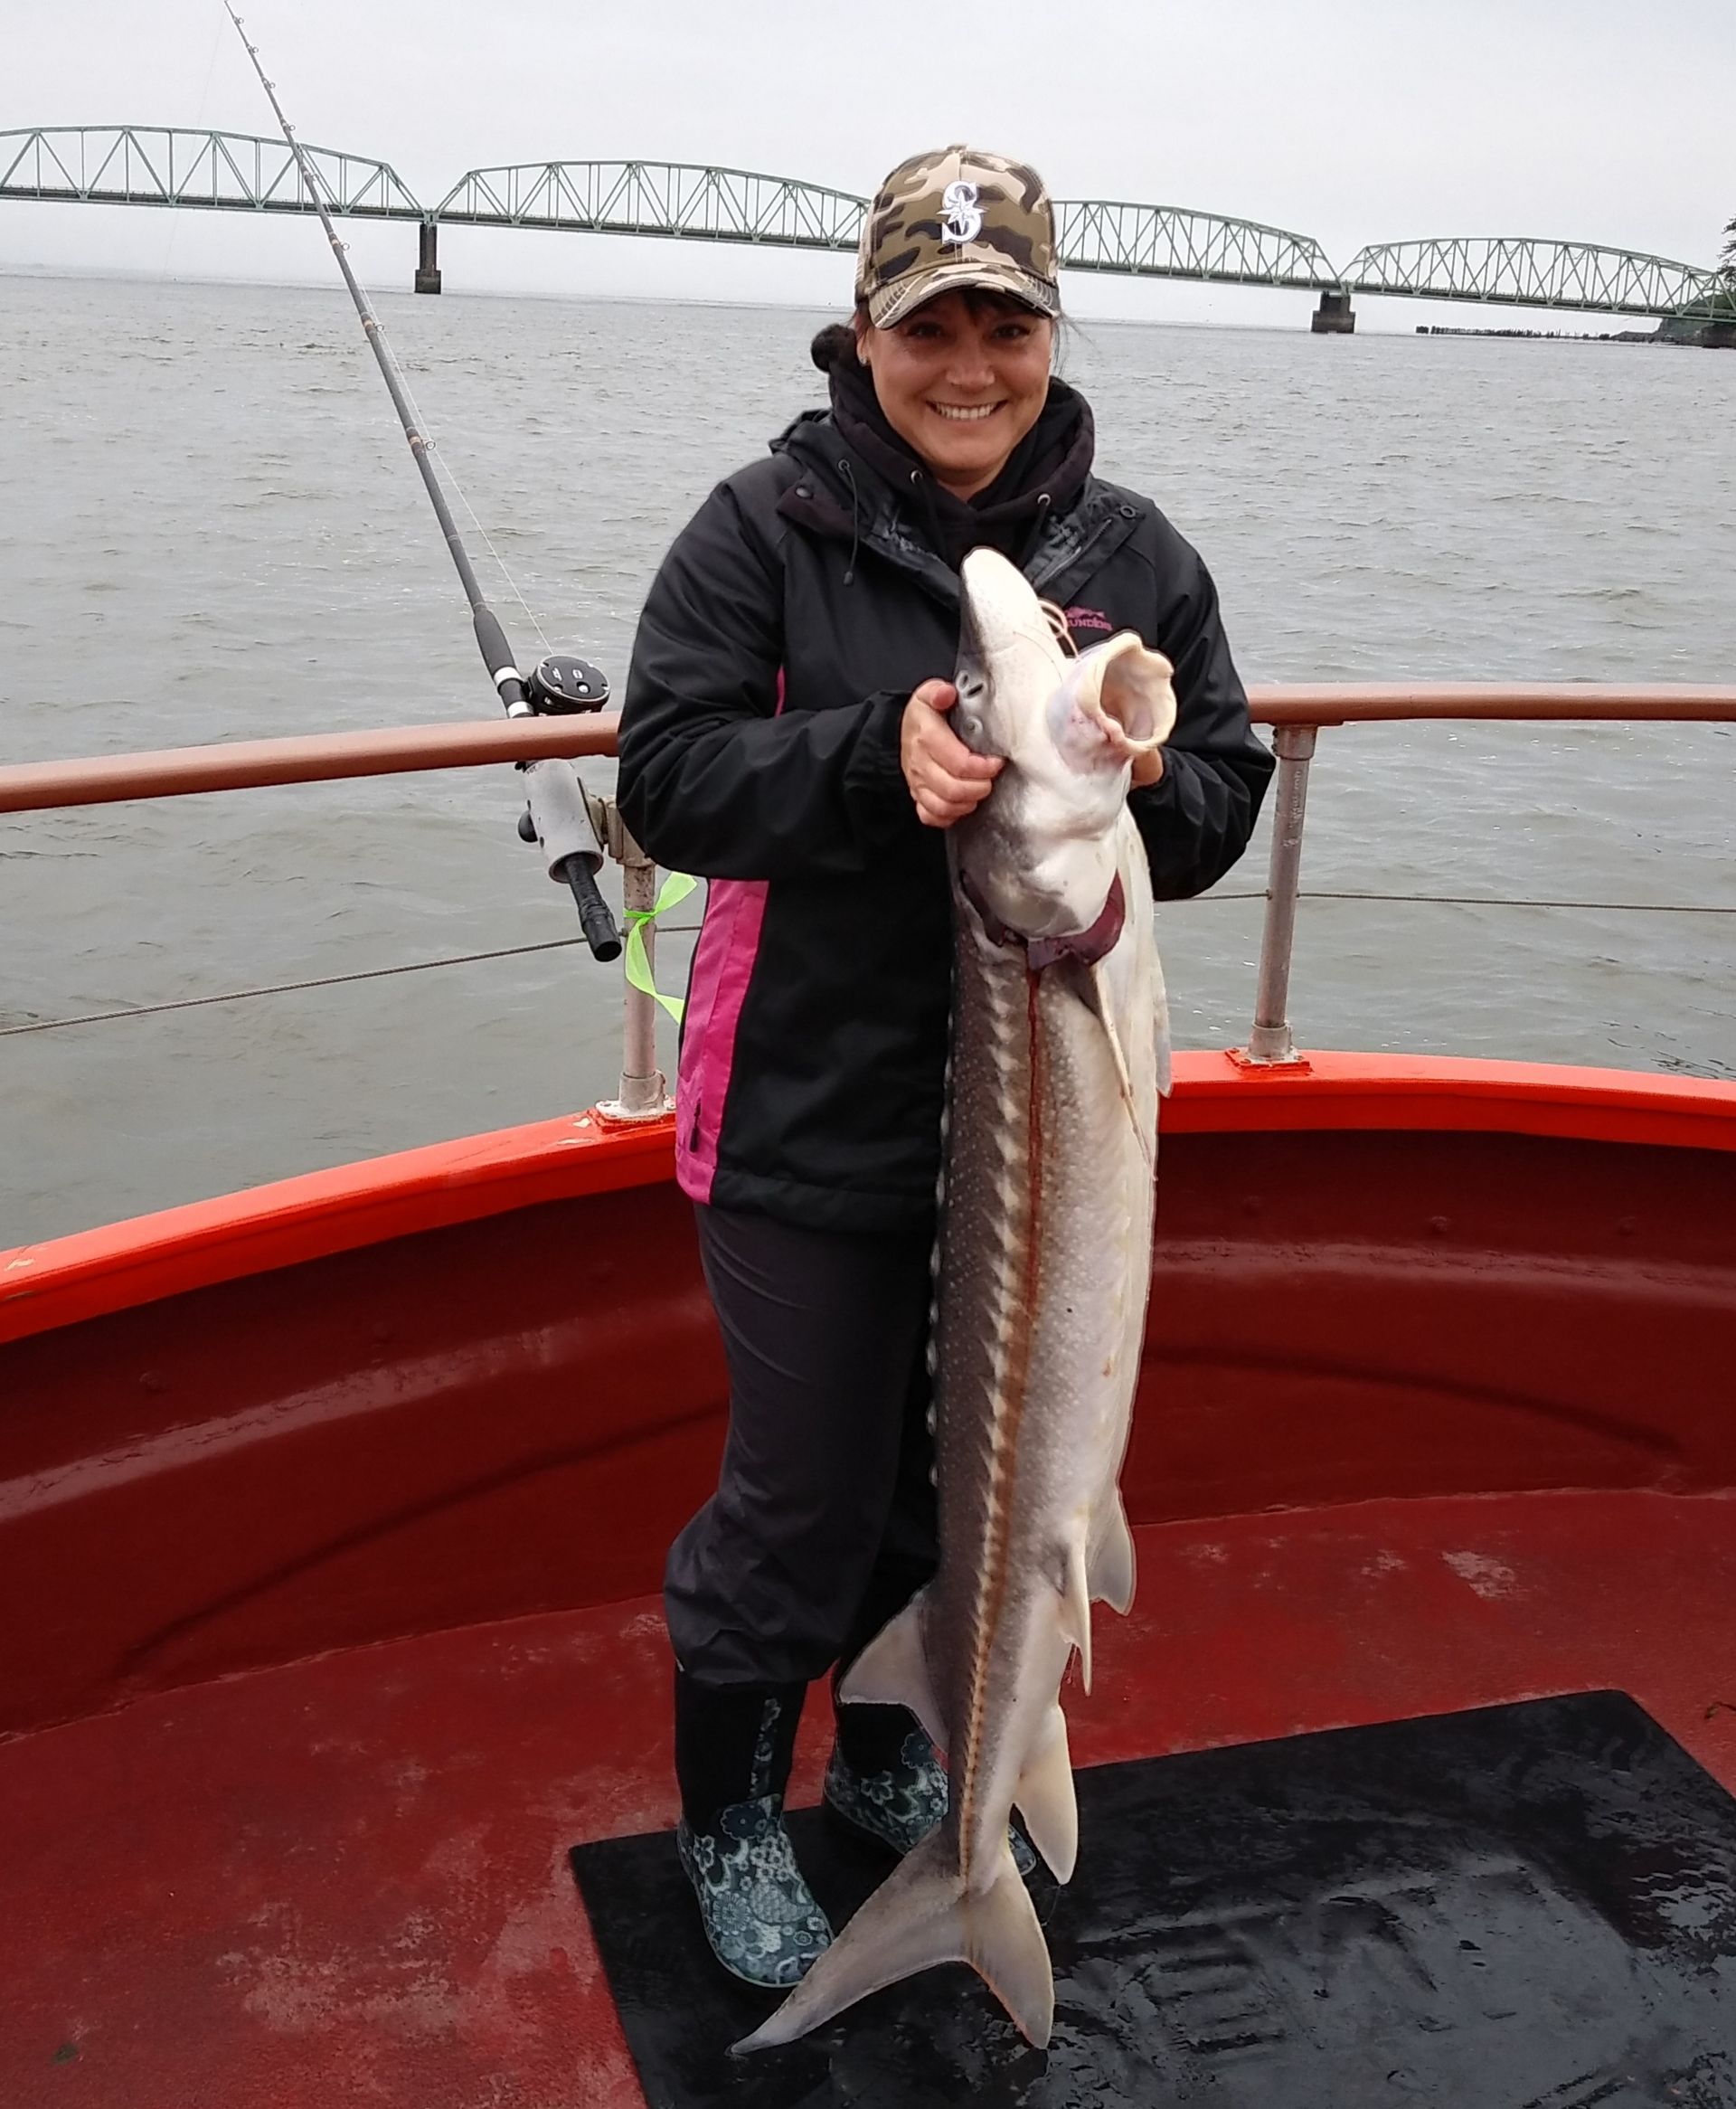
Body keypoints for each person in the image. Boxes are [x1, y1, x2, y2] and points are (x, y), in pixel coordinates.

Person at [616, 145, 1274, 1989]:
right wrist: (865, 759)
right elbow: (667, 773)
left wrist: (1144, 769)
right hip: (805, 1109)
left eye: (1006, 325)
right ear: (865, 332)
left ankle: (898, 1754)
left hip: (1039, 1104)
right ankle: (733, 1811)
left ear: (1051, 333)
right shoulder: (764, 527)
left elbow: (1222, 800)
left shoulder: (1135, 551)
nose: (969, 365)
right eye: (930, 328)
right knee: (806, 1496)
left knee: (944, 1494)